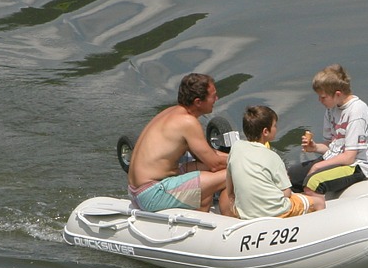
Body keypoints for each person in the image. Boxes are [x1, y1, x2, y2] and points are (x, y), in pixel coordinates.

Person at [127, 73, 228, 212]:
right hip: (152, 193)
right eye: (213, 96)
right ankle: (230, 214)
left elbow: (206, 156)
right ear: (198, 102)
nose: (216, 99)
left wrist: (240, 153)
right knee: (233, 172)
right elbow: (215, 164)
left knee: (207, 175)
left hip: (138, 189)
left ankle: (200, 214)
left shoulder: (172, 112)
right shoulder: (188, 122)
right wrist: (249, 161)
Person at [288, 64, 368, 197]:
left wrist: (318, 166)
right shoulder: (331, 109)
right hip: (333, 158)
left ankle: (319, 213)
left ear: (337, 94)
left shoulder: (357, 112)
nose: (319, 100)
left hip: (354, 167)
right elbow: (332, 145)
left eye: (323, 97)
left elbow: (349, 157)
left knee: (313, 183)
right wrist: (315, 147)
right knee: (289, 176)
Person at [225, 105, 325, 219]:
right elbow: (286, 193)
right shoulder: (273, 157)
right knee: (319, 202)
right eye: (274, 126)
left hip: (245, 212)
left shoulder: (236, 147)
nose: (276, 128)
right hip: (276, 211)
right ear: (266, 131)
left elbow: (230, 187)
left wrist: (234, 200)